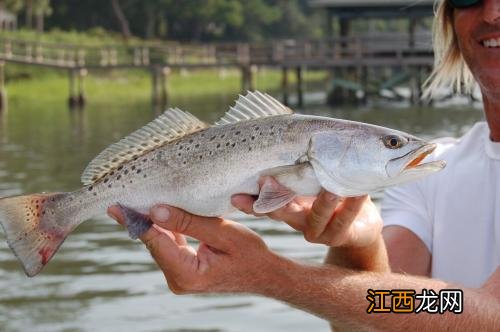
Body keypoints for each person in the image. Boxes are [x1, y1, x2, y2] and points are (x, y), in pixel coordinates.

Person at [108, 0, 500, 329]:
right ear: (448, 18)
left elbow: (491, 313)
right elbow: (380, 315)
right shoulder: (429, 170)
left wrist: (271, 276)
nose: (493, 11)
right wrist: (359, 247)